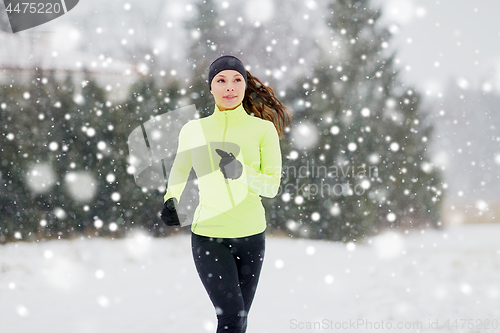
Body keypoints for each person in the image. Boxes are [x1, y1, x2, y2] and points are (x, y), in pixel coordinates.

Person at [161, 55, 292, 333]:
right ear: (211, 87)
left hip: (251, 239)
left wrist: (239, 171)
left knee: (239, 319)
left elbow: (271, 186)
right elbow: (179, 170)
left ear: (245, 86)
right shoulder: (194, 130)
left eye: (236, 80)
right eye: (221, 80)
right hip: (209, 237)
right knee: (231, 318)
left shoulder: (262, 130)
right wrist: (170, 199)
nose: (229, 87)